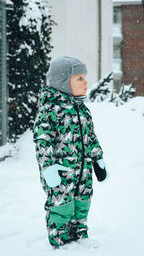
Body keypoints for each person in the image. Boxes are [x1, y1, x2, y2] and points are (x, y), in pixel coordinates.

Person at [33, 56, 106, 248]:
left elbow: (90, 137)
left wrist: (98, 159)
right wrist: (47, 168)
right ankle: (60, 240)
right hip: (60, 172)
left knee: (83, 200)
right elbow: (42, 141)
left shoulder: (82, 110)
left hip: (83, 170)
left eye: (84, 77)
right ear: (63, 82)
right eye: (79, 78)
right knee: (62, 205)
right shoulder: (50, 110)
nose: (85, 82)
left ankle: (80, 233)